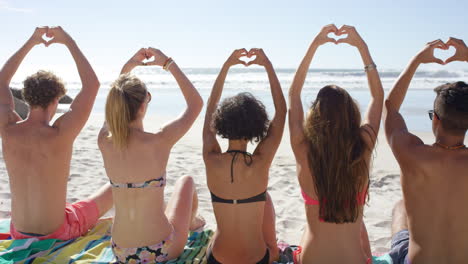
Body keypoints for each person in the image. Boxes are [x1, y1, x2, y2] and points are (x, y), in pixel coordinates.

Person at [0, 26, 113, 240]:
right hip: (58, 233)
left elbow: (1, 80)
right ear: (55, 101)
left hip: (19, 232)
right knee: (116, 183)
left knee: (69, 206)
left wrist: (31, 42)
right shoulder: (61, 134)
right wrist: (67, 41)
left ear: (26, 98)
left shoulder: (7, 129)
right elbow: (92, 85)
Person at [99, 47, 205, 263]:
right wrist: (167, 63)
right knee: (186, 181)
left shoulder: (105, 141)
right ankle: (193, 223)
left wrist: (129, 66)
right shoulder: (159, 140)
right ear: (143, 104)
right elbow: (196, 104)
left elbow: (116, 98)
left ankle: (191, 222)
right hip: (161, 250)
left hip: (121, 250)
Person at [288, 24, 384, 264]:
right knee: (357, 226)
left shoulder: (303, 149)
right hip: (354, 259)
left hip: (311, 258)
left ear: (315, 115)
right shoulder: (363, 145)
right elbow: (378, 97)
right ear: (351, 114)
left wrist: (315, 45)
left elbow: (294, 94)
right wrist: (361, 47)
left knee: (306, 230)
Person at [384, 38, 468, 264]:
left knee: (400, 207)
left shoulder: (411, 153)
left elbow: (390, 108)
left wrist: (418, 60)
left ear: (436, 120)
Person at [203, 48, 286, 264]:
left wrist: (226, 67)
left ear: (220, 122)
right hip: (257, 259)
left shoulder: (211, 158)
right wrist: (267, 65)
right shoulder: (260, 161)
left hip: (218, 259)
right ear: (257, 126)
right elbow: (282, 111)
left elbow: (210, 108)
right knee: (265, 199)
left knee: (215, 238)